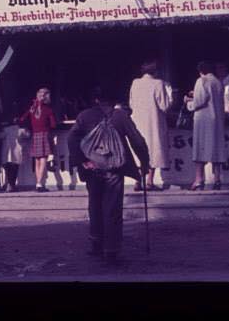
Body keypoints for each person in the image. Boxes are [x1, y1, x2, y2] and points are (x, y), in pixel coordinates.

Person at [68, 86, 150, 266]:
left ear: (95, 99)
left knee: (95, 205)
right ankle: (111, 250)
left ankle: (96, 243)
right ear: (113, 100)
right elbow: (137, 140)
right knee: (112, 209)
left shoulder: (84, 116)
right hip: (114, 168)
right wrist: (145, 162)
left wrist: (82, 161)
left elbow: (72, 139)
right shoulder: (120, 116)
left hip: (92, 168)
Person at [128, 59, 172, 191]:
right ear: (156, 71)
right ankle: (149, 181)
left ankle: (137, 181)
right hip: (154, 122)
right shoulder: (158, 83)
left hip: (138, 122)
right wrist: (170, 96)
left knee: (139, 150)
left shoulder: (135, 83)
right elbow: (164, 106)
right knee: (153, 149)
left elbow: (131, 103)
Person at [188, 61, 227, 190]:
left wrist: (189, 103)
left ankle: (199, 179)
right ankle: (217, 180)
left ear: (201, 71)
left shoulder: (202, 81)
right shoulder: (218, 82)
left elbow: (199, 101)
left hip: (203, 119)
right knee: (216, 148)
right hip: (217, 119)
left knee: (200, 148)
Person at [18, 87, 56, 192]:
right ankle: (39, 184)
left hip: (35, 135)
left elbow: (22, 119)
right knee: (43, 159)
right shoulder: (48, 110)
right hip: (45, 134)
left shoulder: (32, 109)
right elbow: (53, 124)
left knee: (37, 160)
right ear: (47, 97)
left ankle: (38, 183)